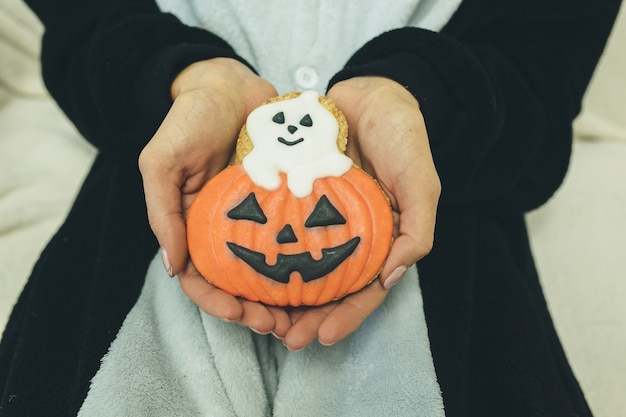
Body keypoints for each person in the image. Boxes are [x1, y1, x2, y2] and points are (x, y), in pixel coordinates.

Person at [0, 0, 621, 415]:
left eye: (314, 221)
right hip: (165, 176)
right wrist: (177, 75)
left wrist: (423, 95)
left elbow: (542, 68)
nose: (291, 245)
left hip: (445, 195)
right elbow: (84, 20)